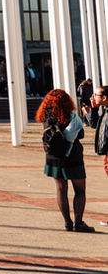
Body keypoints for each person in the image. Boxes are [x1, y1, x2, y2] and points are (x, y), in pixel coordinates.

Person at [36, 89, 94, 233]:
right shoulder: (71, 116)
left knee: (61, 189)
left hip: (54, 157)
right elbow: (80, 134)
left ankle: (67, 223)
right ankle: (79, 222)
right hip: (73, 156)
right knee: (80, 191)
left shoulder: (46, 116)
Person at [89, 86, 108, 185]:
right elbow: (94, 125)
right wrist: (94, 109)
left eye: (96, 95)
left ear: (104, 98)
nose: (93, 97)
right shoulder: (105, 111)